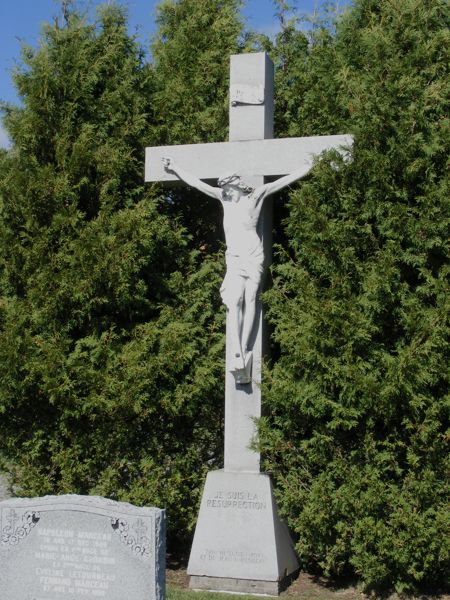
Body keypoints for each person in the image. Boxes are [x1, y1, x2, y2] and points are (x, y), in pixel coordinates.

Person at [162, 157, 312, 378]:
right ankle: (238, 351)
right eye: (223, 189)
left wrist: (307, 168)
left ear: (235, 185)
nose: (225, 192)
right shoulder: (224, 199)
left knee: (250, 299)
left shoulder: (255, 197)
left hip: (252, 255)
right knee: (234, 302)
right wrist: (175, 168)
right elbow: (197, 183)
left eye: (227, 188)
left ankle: (245, 346)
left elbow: (281, 182)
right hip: (233, 256)